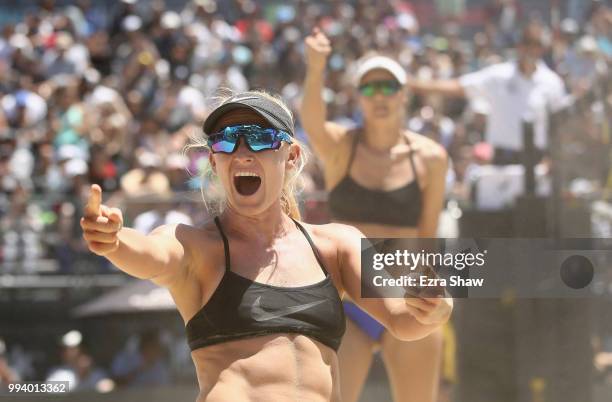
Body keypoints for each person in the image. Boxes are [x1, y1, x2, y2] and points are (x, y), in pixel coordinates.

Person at [80, 90, 452, 402]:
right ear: (214, 160)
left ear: (290, 157)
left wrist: (435, 309)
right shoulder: (197, 247)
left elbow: (404, 320)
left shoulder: (338, 244)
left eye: (258, 137)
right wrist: (113, 240)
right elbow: (151, 255)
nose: (242, 151)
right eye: (226, 140)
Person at [301, 29, 449, 402]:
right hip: (350, 302)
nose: (379, 95)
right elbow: (313, 124)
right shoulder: (341, 147)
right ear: (358, 98)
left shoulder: (430, 157)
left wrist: (433, 297)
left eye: (387, 87)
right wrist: (316, 68)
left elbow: (428, 237)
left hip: (406, 298)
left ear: (403, 94)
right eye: (369, 89)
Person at [408, 22, 568, 166]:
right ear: (519, 46)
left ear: (543, 48)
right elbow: (458, 86)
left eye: (537, 45)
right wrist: (411, 83)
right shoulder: (498, 76)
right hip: (501, 160)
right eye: (527, 44)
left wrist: (553, 159)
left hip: (537, 160)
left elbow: (561, 126)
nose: (531, 50)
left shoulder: (552, 83)